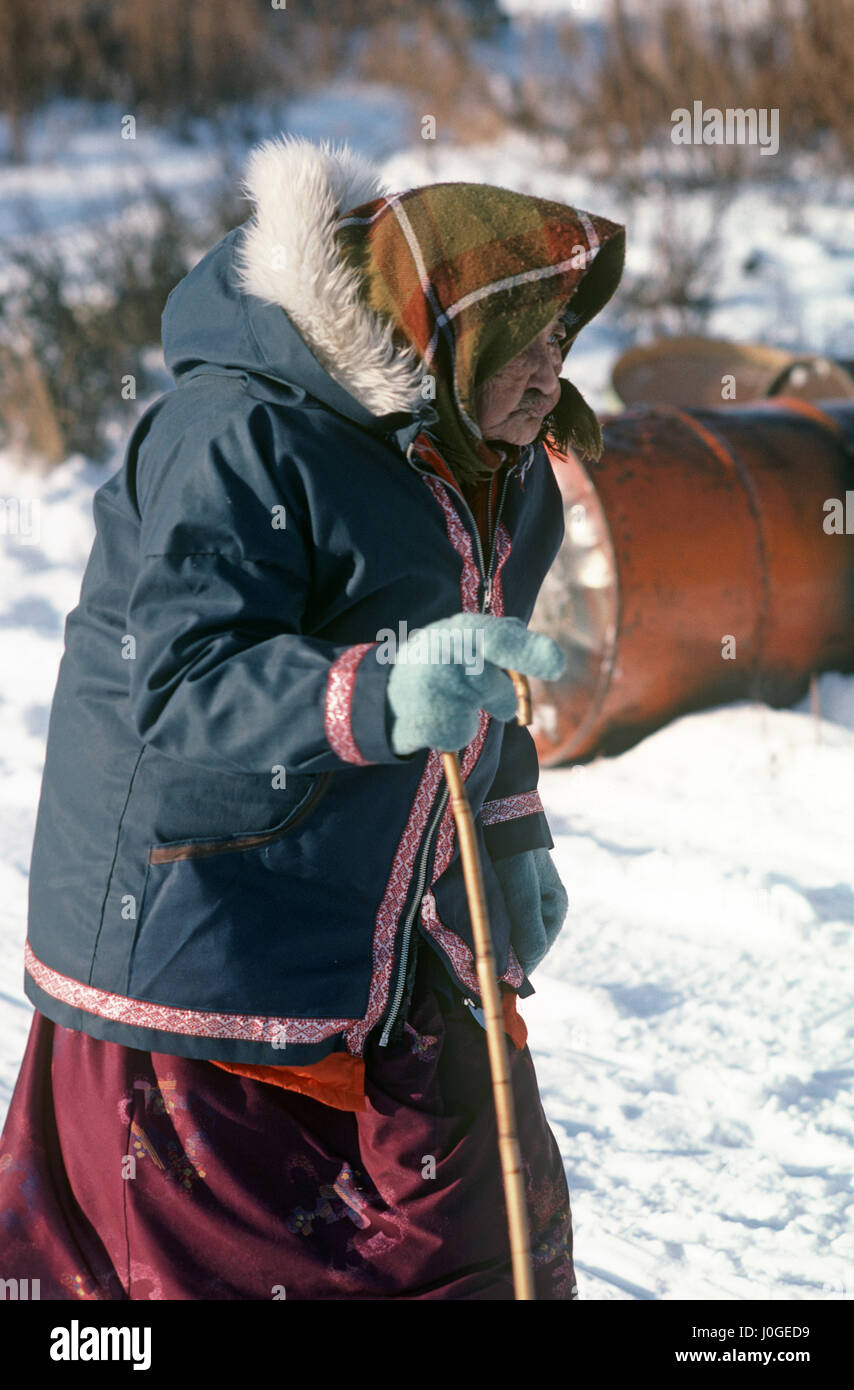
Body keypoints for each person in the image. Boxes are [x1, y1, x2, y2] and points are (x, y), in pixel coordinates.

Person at [0, 135, 625, 1300]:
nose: (549, 377)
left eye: (561, 342)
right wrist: (381, 693)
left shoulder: (499, 455)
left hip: (386, 905)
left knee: (477, 1227)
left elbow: (476, 663)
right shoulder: (241, 433)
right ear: (442, 331)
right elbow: (182, 676)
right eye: (523, 344)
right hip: (201, 921)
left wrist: (510, 825)